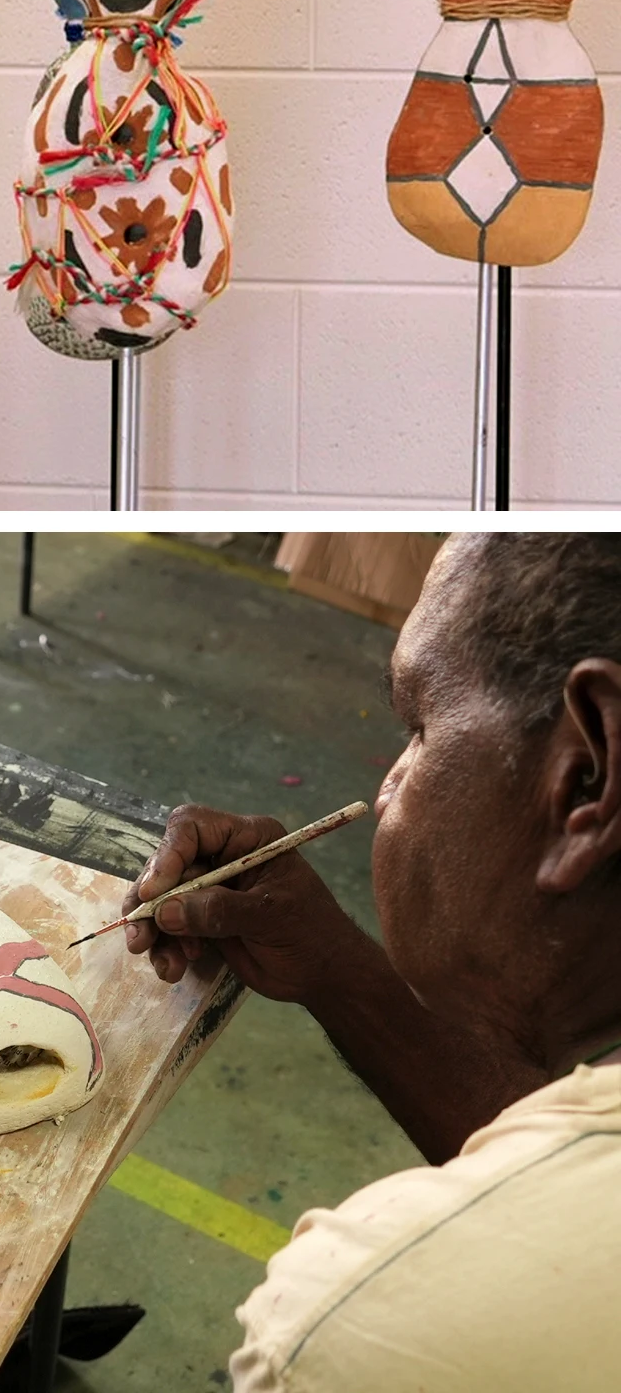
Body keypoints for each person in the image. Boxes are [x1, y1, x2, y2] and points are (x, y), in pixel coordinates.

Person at [122, 532, 621, 1391]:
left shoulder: (374, 1333)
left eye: (419, 727)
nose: (385, 786)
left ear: (587, 777)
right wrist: (339, 969)